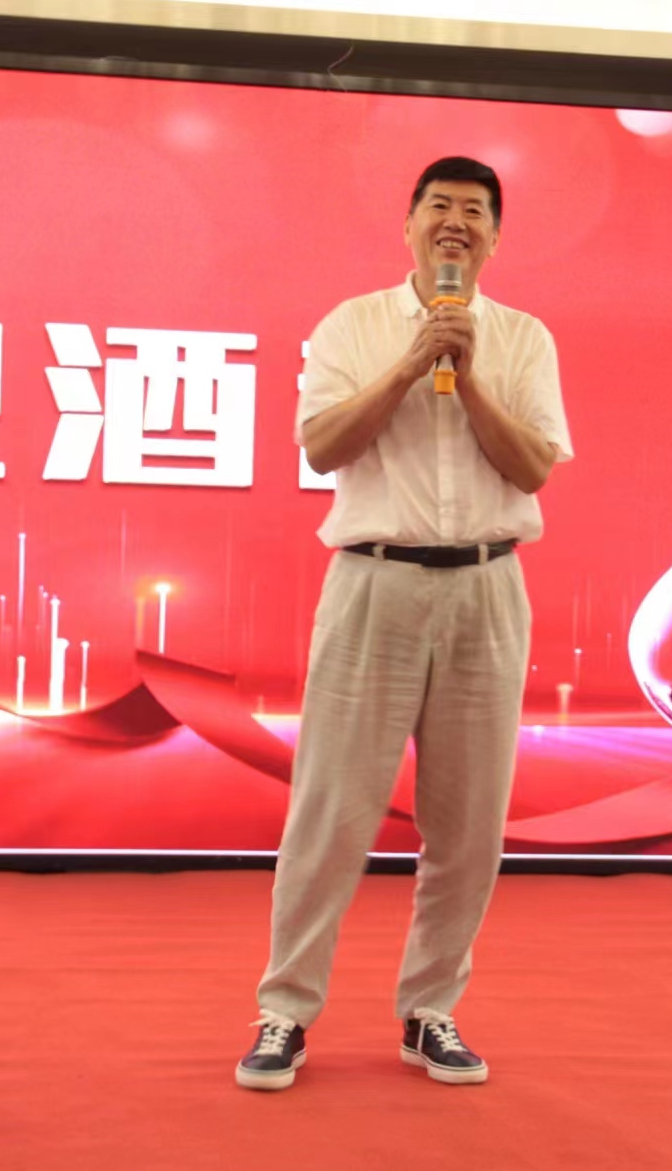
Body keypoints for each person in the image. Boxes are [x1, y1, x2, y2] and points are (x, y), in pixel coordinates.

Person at [236, 156, 572, 1091]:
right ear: (411, 224)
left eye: (475, 211)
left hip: (487, 587)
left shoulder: (524, 338)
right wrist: (413, 362)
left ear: (495, 236)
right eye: (440, 206)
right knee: (330, 814)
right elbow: (323, 444)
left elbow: (533, 467)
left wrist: (468, 375)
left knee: (468, 825)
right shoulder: (351, 325)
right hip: (373, 583)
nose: (456, 222)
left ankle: (431, 1011)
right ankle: (284, 1011)